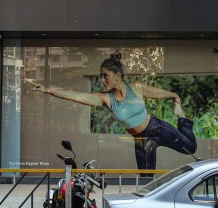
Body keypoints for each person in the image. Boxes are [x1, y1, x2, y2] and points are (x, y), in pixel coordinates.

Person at [26, 52, 197, 172]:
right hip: (141, 140)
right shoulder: (105, 99)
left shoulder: (136, 88)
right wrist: (47, 89)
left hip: (157, 129)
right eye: (100, 76)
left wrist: (174, 96)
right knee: (146, 178)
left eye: (105, 75)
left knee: (191, 147)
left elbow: (158, 93)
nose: (102, 80)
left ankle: (181, 117)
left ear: (117, 75)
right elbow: (75, 95)